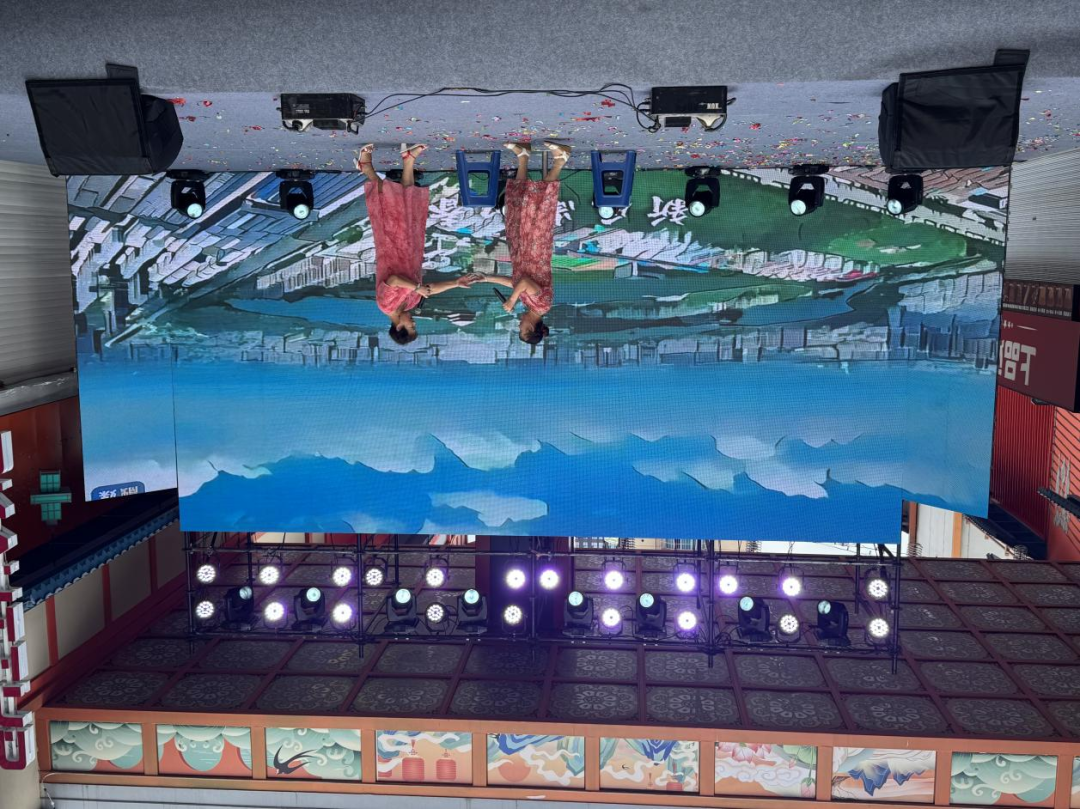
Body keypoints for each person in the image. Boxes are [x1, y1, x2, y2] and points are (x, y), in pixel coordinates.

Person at [356, 142, 479, 344]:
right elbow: (429, 289)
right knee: (409, 205)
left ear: (399, 327)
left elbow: (394, 280)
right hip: (410, 250)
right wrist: (456, 283)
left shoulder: (386, 305)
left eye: (411, 326)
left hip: (391, 246)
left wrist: (415, 288)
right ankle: (408, 160)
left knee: (388, 205)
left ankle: (367, 167)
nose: (413, 322)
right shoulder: (410, 304)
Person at [474, 140, 570, 344]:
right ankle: (560, 160)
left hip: (521, 251)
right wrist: (511, 300)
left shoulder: (530, 304)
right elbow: (525, 282)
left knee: (516, 206)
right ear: (531, 328)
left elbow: (515, 283)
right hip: (535, 248)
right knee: (539, 205)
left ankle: (523, 156)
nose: (519, 323)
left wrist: (486, 278)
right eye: (522, 328)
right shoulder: (542, 305)